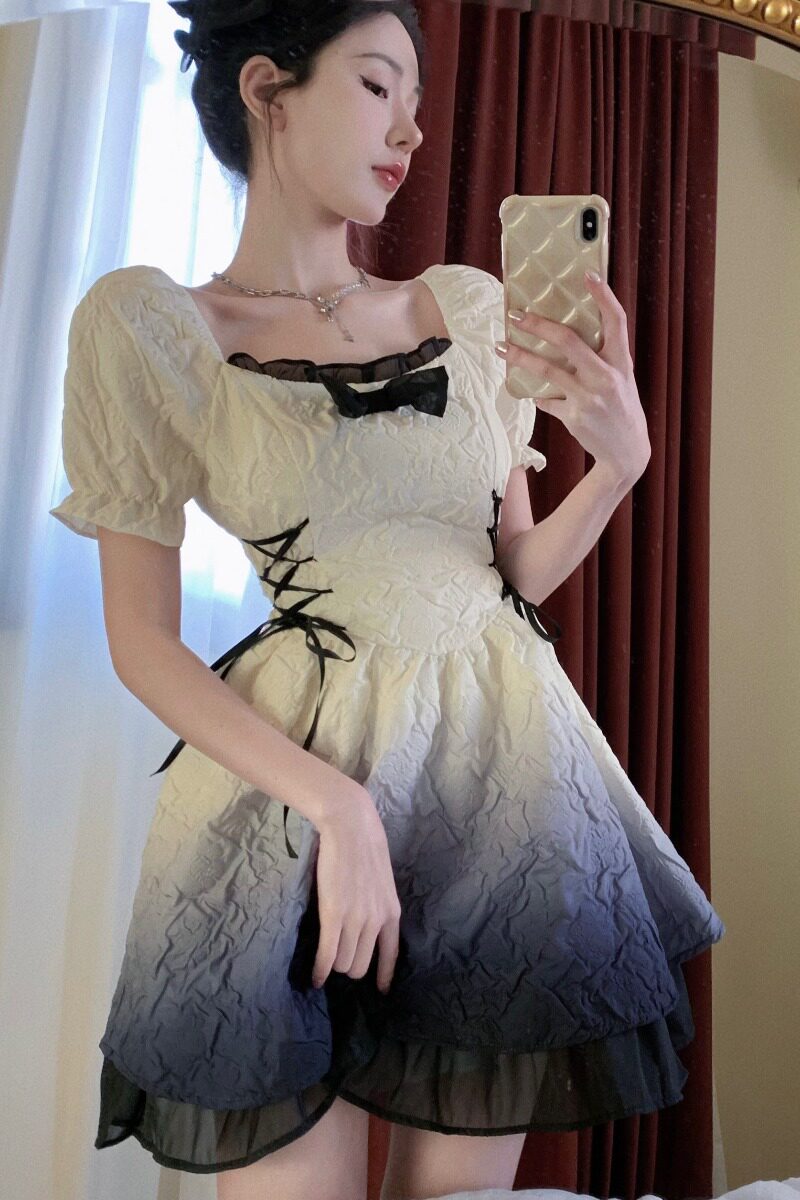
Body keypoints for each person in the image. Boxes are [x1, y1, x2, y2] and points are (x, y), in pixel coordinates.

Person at [48, 2, 726, 1199]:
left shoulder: (464, 307)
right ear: (268, 90)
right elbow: (141, 642)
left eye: (415, 99)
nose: (411, 130)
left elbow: (511, 572)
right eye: (375, 86)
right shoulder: (153, 327)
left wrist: (618, 468)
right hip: (294, 792)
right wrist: (337, 806)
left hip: (499, 784)